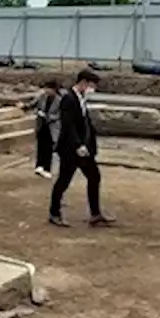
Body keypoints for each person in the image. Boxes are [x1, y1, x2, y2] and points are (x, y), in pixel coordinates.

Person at [48, 68, 115, 228]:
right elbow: (68, 125)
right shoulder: (68, 99)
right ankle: (54, 213)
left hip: (85, 149)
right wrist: (77, 145)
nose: (93, 89)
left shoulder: (81, 99)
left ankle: (95, 214)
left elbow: (84, 123)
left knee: (94, 177)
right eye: (91, 85)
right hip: (71, 149)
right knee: (64, 180)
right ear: (83, 83)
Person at [30, 79, 62, 177]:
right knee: (40, 146)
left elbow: (59, 115)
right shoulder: (42, 97)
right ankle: (39, 166)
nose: (46, 91)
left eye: (48, 89)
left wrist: (48, 116)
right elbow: (33, 104)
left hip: (52, 126)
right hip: (41, 124)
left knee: (48, 148)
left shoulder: (59, 100)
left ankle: (47, 168)